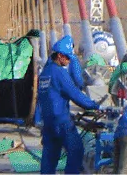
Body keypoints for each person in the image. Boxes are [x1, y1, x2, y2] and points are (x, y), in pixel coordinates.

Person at [37, 37, 100, 174]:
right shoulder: (60, 73)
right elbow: (75, 94)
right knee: (76, 150)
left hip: (48, 123)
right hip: (61, 121)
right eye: (67, 57)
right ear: (60, 55)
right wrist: (95, 106)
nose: (69, 60)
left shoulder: (44, 74)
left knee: (49, 157)